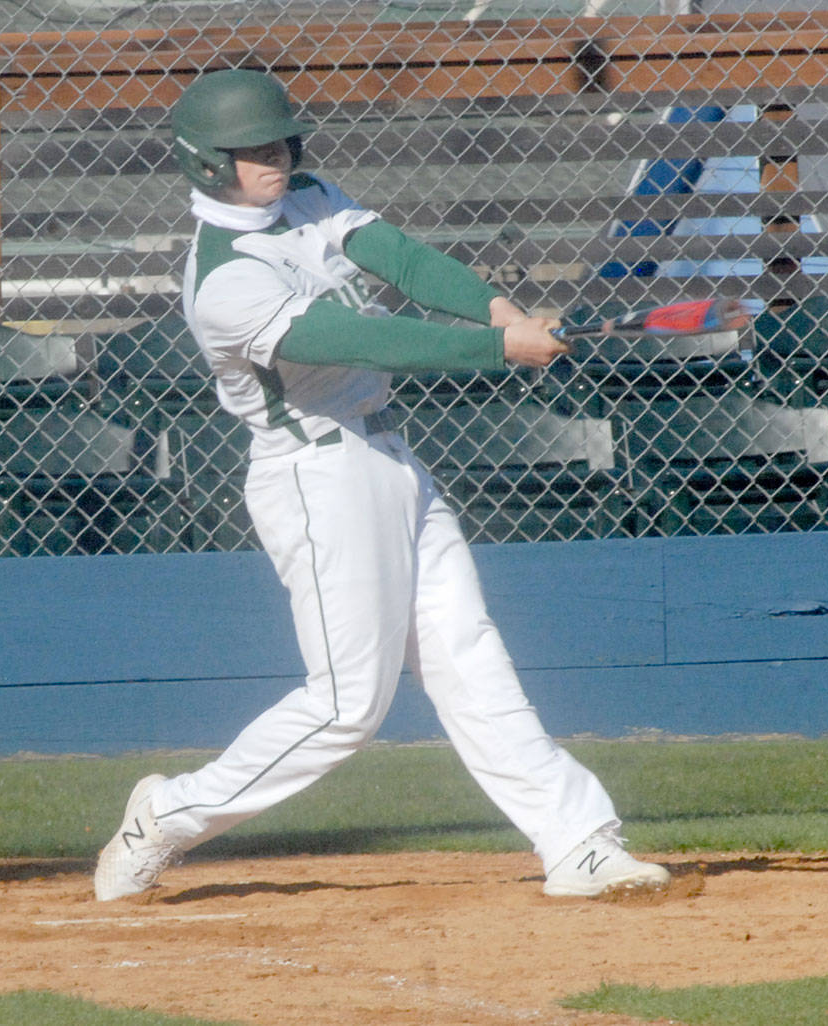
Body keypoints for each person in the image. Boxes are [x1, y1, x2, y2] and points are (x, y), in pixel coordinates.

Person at [94, 68, 669, 901]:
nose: (276, 159)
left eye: (281, 142)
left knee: (467, 651)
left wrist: (496, 306)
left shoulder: (309, 197)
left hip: (389, 460)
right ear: (208, 162)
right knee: (345, 707)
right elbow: (355, 338)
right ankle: (170, 815)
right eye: (253, 149)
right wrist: (495, 352)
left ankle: (578, 839)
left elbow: (396, 255)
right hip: (314, 476)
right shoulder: (225, 281)